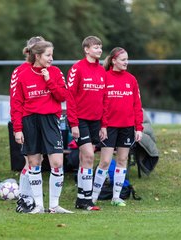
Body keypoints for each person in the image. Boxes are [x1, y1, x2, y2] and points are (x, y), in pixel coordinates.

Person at [11, 41, 72, 214]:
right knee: (34, 162)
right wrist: (18, 129)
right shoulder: (22, 74)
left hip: (51, 121)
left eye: (52, 55)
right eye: (48, 55)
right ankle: (38, 205)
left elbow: (62, 96)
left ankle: (54, 205)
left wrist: (49, 80)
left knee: (57, 162)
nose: (51, 59)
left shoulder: (55, 72)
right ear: (37, 56)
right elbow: (16, 104)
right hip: (30, 121)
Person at [91, 47, 144, 206]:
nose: (126, 62)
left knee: (122, 160)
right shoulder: (105, 77)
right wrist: (103, 126)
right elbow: (101, 105)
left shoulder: (131, 79)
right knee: (105, 162)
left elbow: (137, 105)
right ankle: (93, 196)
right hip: (109, 127)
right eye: (123, 60)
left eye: (127, 59)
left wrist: (138, 127)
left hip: (127, 126)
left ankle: (116, 197)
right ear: (113, 61)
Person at [66, 36, 106, 211]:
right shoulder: (77, 68)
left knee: (85, 158)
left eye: (100, 47)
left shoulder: (102, 71)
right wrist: (73, 123)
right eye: (96, 47)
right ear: (86, 50)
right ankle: (87, 199)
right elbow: (70, 97)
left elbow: (105, 100)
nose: (99, 50)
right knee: (89, 156)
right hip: (80, 120)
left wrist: (103, 125)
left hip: (96, 121)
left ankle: (82, 199)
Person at [10, 36, 44, 211]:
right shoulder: (20, 71)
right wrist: (18, 127)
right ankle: (24, 198)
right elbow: (15, 101)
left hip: (43, 122)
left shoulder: (46, 69)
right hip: (26, 121)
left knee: (38, 159)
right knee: (29, 161)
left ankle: (31, 197)